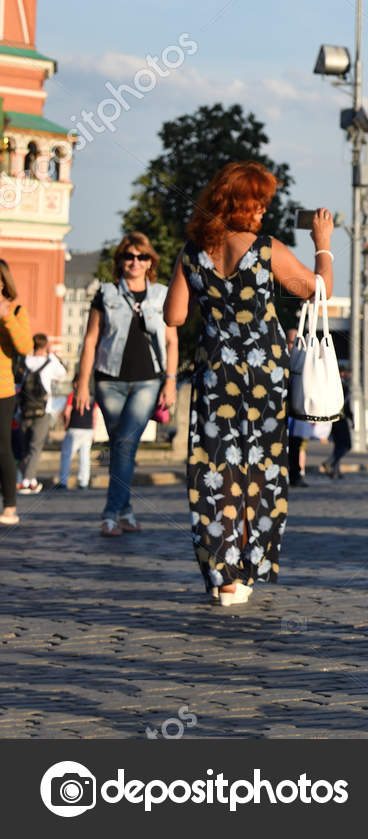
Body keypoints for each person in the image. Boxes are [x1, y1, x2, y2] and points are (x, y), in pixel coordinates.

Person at [164, 161, 334, 606]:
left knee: (216, 469)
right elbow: (318, 291)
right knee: (258, 468)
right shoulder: (266, 248)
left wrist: (213, 302)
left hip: (215, 370)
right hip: (263, 373)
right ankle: (246, 567)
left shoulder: (192, 251)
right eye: (259, 202)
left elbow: (174, 316)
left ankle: (223, 576)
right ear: (242, 203)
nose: (263, 209)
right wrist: (323, 245)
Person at [73, 232, 178, 537]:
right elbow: (91, 340)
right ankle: (126, 510)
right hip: (109, 381)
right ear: (120, 261)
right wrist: (82, 383)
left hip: (148, 381)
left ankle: (109, 514)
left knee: (124, 444)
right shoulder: (105, 294)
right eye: (129, 256)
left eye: (141, 256)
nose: (135, 261)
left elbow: (171, 341)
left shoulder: (161, 295)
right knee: (123, 447)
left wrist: (170, 381)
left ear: (150, 262)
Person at [0, 260, 32, 525]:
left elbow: (24, 347)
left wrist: (5, 316)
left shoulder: (15, 311)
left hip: (2, 390)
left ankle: (9, 505)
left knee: (2, 448)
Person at [15, 334, 67, 493]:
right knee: (35, 447)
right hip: (43, 410)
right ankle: (26, 482)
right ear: (45, 346)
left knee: (23, 447)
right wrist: (51, 354)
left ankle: (30, 479)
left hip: (23, 410)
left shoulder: (24, 361)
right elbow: (62, 373)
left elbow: (16, 382)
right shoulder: (50, 362)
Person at [56, 398, 95, 490]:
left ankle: (63, 481)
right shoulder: (92, 397)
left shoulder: (72, 395)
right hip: (88, 429)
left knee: (67, 456)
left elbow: (67, 412)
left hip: (74, 428)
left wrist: (66, 424)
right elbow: (95, 414)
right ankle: (84, 482)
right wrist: (94, 431)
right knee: (85, 458)